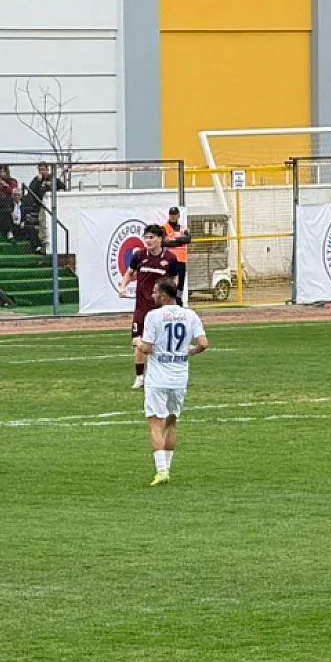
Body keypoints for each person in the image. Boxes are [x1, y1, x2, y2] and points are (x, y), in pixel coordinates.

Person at [135, 277, 208, 487]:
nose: (152, 295)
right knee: (172, 421)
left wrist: (138, 342)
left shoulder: (154, 316)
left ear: (164, 296)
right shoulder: (190, 315)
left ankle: (161, 471)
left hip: (158, 377)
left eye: (155, 292)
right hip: (179, 376)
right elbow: (203, 343)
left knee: (156, 423)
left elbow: (147, 348)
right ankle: (167, 467)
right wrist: (189, 352)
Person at [116, 224, 180, 389]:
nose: (148, 240)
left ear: (160, 239)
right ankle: (140, 376)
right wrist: (123, 286)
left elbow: (174, 279)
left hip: (161, 309)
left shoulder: (171, 259)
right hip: (142, 307)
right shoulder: (139, 255)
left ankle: (164, 374)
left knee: (163, 341)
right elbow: (129, 273)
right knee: (138, 340)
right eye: (146, 237)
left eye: (152, 237)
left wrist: (171, 297)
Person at [23, 163, 67, 252]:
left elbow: (63, 187)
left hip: (52, 206)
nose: (42, 172)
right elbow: (31, 192)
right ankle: (43, 243)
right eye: (40, 170)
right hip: (41, 205)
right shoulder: (36, 180)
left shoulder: (53, 179)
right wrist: (38, 182)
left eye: (44, 170)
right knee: (42, 223)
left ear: (48, 170)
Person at [163, 206, 191, 296]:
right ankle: (169, 300)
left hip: (181, 260)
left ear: (178, 215)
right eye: (171, 214)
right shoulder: (164, 228)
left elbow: (188, 239)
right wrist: (180, 241)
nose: (173, 216)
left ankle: (179, 300)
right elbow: (164, 243)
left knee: (180, 284)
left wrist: (173, 240)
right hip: (170, 260)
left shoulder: (182, 227)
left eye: (174, 214)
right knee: (169, 283)